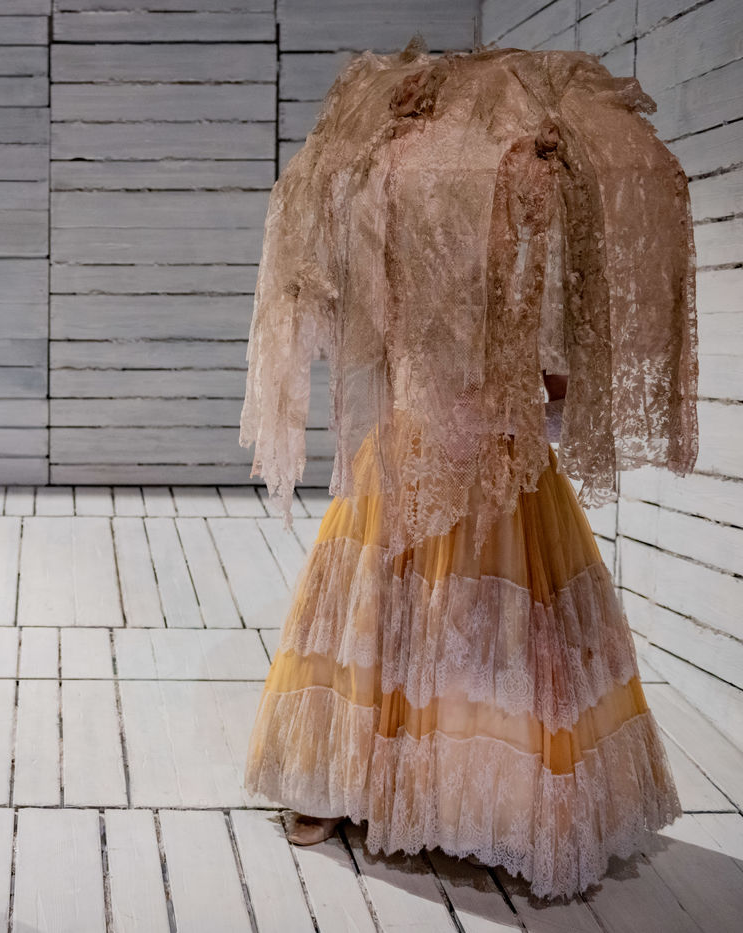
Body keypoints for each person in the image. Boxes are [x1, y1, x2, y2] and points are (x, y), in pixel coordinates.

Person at [240, 46, 696, 899]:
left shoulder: (528, 183)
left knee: (487, 625)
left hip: (496, 446)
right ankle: (347, 778)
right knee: (389, 604)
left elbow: (550, 342)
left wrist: (538, 385)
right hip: (410, 437)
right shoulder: (389, 176)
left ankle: (487, 801)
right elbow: (364, 316)